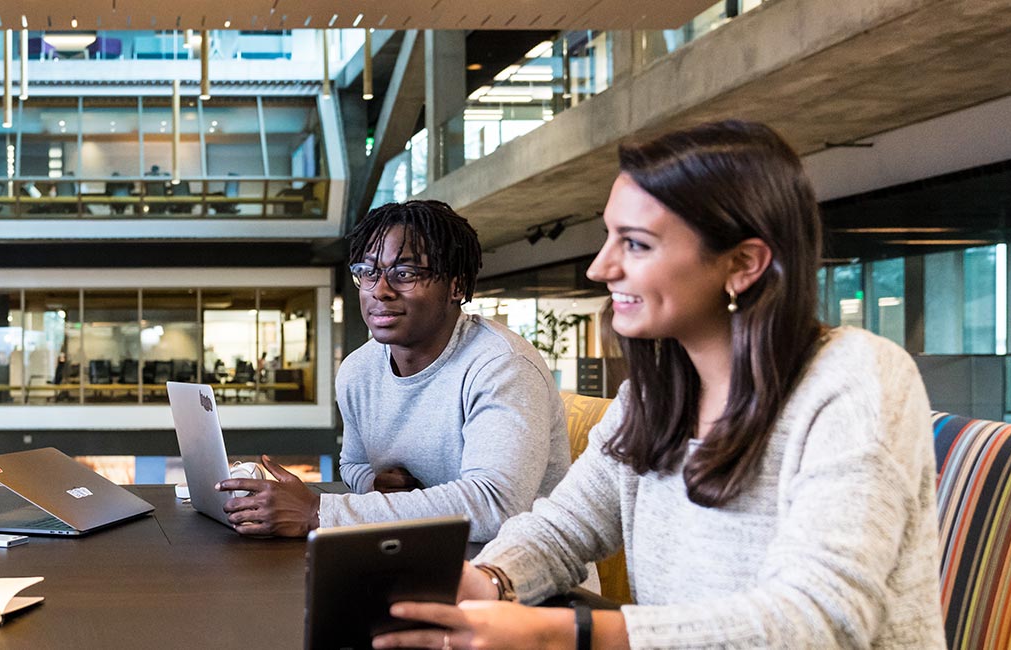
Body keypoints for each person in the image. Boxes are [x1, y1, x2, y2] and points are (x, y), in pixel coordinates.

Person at [373, 121, 943, 649]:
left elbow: (821, 620)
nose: (600, 267)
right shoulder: (655, 394)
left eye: (636, 244)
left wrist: (560, 633)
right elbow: (566, 527)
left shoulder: (856, 379)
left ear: (744, 263)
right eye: (609, 237)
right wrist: (491, 580)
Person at [217, 200, 570, 542]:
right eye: (367, 272)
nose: (380, 291)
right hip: (419, 556)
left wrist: (319, 513)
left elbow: (496, 506)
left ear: (456, 286)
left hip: (522, 581)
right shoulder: (359, 370)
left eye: (405, 274)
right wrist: (376, 485)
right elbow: (353, 463)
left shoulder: (501, 366)